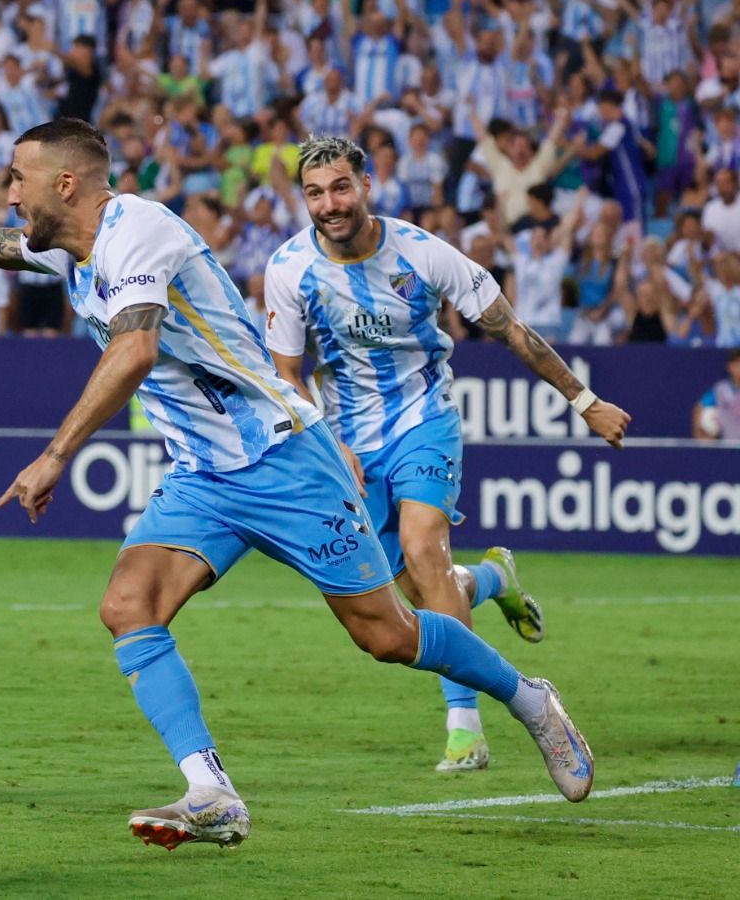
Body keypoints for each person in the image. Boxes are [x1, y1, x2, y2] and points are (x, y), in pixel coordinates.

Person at [0, 118, 598, 851]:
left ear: (65, 182)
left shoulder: (138, 231)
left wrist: (55, 455)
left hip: (283, 457)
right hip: (206, 474)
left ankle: (529, 700)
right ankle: (211, 791)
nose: (9, 192)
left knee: (388, 635)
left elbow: (133, 351)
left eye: (17, 177)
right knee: (127, 605)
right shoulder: (72, 245)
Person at [263, 135, 632, 773]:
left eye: (341, 187)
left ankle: (465, 729)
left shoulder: (425, 254)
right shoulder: (288, 268)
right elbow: (286, 371)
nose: (330, 204)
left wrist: (584, 401)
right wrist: (329, 441)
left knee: (422, 548)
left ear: (368, 185)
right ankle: (491, 580)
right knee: (406, 596)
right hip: (347, 440)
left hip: (422, 420)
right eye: (315, 193)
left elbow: (512, 330)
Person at [695, 350, 740, 439]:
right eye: (736, 364)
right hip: (726, 445)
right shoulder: (720, 389)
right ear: (729, 367)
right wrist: (699, 435)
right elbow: (699, 407)